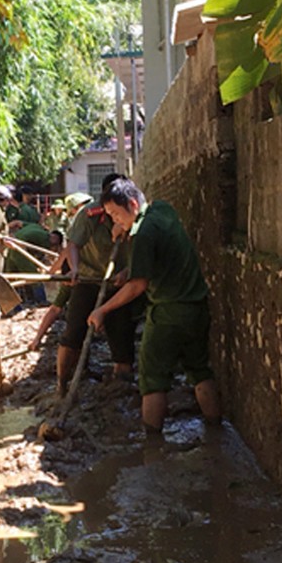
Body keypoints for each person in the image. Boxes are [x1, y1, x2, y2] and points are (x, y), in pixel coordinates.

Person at [87, 177, 221, 433]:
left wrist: (102, 310)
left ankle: (152, 446)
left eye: (116, 214)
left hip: (168, 312)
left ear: (133, 204)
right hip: (196, 305)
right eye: (111, 216)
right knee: (199, 370)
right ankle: (216, 431)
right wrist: (129, 268)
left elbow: (138, 286)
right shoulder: (162, 210)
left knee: (152, 379)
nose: (115, 221)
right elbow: (158, 258)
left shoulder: (143, 233)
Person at [55, 177, 144, 398]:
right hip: (89, 280)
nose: (113, 214)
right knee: (73, 333)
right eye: (109, 210)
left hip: (119, 285)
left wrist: (128, 271)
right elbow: (73, 244)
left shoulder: (138, 216)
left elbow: (142, 252)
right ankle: (62, 386)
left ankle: (121, 389)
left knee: (122, 336)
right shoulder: (90, 214)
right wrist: (74, 269)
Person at [27, 193, 93, 351]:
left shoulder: (85, 222)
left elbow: (67, 251)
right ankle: (37, 339)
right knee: (59, 306)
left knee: (63, 308)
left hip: (84, 274)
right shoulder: (76, 224)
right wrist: (55, 271)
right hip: (74, 274)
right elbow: (66, 252)